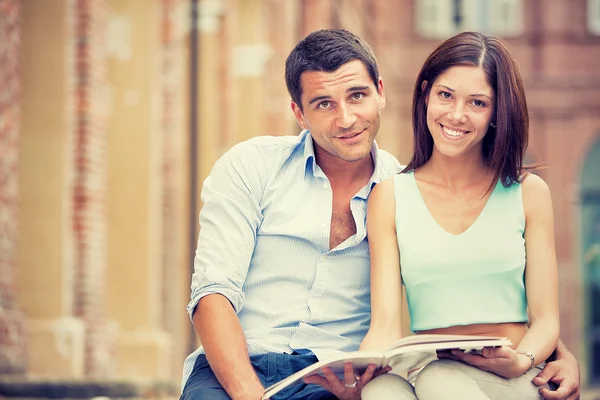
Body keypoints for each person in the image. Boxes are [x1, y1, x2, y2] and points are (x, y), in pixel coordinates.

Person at [179, 29, 581, 400]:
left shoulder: (398, 187)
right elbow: (212, 292)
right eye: (323, 104)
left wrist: (551, 354)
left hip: (333, 379)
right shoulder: (253, 167)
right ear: (299, 113)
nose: (347, 119)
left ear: (380, 93)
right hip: (235, 366)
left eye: (357, 96)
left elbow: (485, 279)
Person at [359, 31, 575, 400]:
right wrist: (354, 374)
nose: (456, 115)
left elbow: (546, 320)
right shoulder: (390, 196)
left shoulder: (528, 193)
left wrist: (522, 359)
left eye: (477, 102)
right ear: (426, 93)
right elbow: (384, 324)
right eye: (446, 95)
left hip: (513, 375)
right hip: (428, 368)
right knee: (381, 390)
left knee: (441, 381)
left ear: (496, 113)